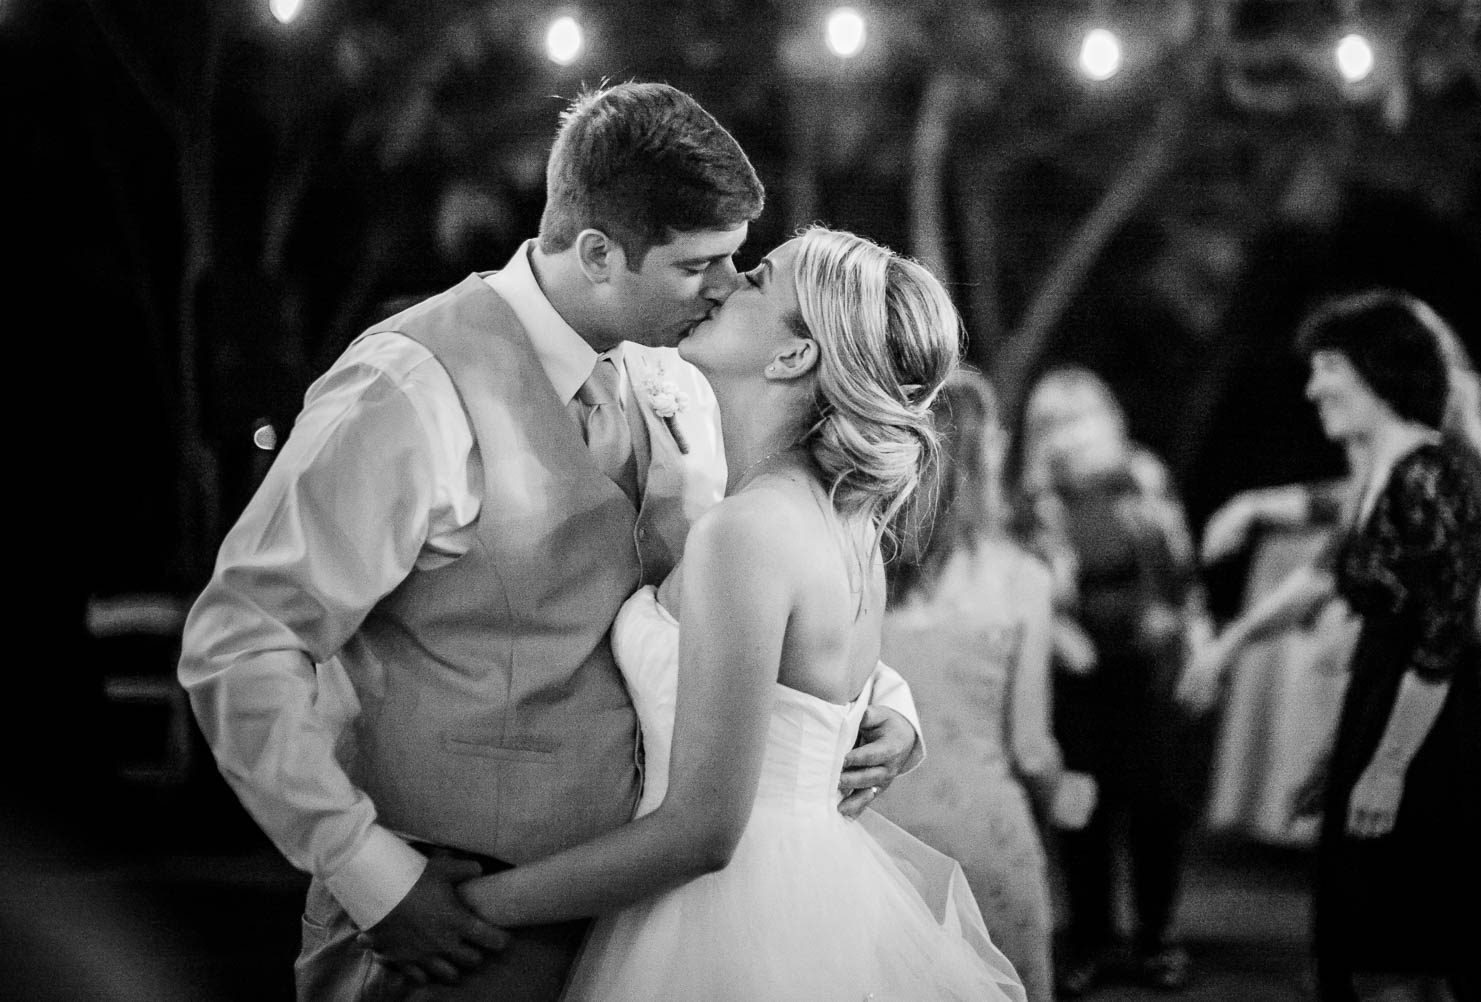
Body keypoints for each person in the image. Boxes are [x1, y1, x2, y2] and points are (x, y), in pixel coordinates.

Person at [177, 83, 927, 1002]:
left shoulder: (676, 371)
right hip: (448, 916)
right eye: (701, 265)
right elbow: (244, 641)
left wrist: (870, 708)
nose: (728, 287)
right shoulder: (408, 389)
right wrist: (370, 873)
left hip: (642, 914)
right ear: (601, 253)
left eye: (737, 262)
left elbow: (733, 590)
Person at [450, 227, 1024, 999]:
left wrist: (469, 910)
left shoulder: (748, 530)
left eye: (755, 278)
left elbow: (701, 834)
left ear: (793, 356)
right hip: (809, 897)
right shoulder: (843, 521)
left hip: (723, 918)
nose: (723, 282)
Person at [1286, 290, 1481, 1002]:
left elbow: (1442, 632)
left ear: (1379, 368)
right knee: (1363, 940)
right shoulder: (1381, 472)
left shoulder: (1429, 474)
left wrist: (1387, 766)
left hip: (1434, 728)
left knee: (1411, 948)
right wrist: (1340, 755)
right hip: (1385, 699)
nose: (1314, 387)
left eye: (1329, 366)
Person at [878, 367, 1097, 1002]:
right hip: (981, 834)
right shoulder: (1022, 577)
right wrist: (1064, 791)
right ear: (983, 450)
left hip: (875, 828)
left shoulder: (864, 558)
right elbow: (1030, 746)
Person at [1012, 366, 1212, 997]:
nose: (1072, 434)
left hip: (1143, 661)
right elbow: (1022, 578)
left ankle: (1155, 937)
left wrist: (1190, 627)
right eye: (1056, 422)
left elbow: (1178, 566)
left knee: (1157, 803)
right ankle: (1090, 937)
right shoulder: (1032, 496)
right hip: (1068, 668)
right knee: (1078, 804)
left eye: (1083, 418)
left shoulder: (1141, 478)